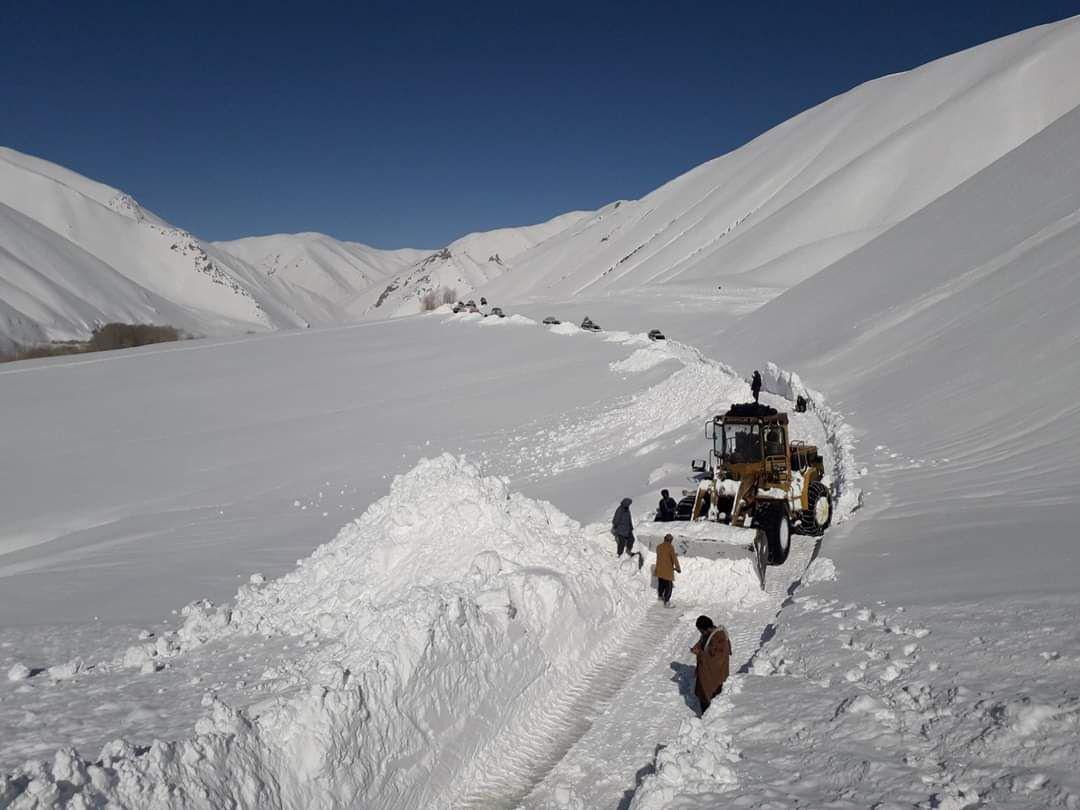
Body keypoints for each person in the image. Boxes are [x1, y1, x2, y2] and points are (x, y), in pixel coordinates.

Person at [691, 615, 732, 715]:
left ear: (707, 628)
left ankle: (709, 718)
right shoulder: (708, 634)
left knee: (711, 696)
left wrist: (700, 653)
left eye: (701, 631)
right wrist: (697, 648)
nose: (701, 633)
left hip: (715, 674)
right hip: (706, 672)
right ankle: (705, 715)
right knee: (703, 694)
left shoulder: (720, 637)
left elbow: (717, 656)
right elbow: (702, 643)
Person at [655, 533, 681, 606]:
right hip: (667, 570)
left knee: (661, 583)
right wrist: (678, 568)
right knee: (668, 586)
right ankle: (667, 601)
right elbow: (674, 559)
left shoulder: (658, 546)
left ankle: (660, 596)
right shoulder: (670, 547)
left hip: (659, 569)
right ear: (670, 540)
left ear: (664, 539)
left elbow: (663, 556)